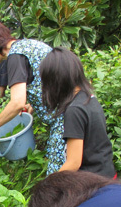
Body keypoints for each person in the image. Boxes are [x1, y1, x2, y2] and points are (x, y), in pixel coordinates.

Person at [0, 19, 65, 174]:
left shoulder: (16, 56)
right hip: (78, 110)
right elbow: (49, 80)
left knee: (58, 177)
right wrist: (34, 104)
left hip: (66, 120)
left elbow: (17, 102)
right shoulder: (28, 45)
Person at [40, 47, 115, 178]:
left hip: (93, 183)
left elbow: (74, 163)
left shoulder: (74, 110)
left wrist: (48, 184)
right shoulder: (88, 98)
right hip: (107, 174)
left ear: (56, 81)